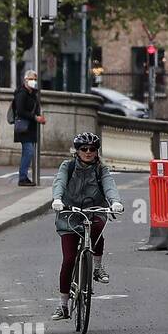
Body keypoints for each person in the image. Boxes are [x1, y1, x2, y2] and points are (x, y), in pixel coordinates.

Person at [49, 132, 123, 321]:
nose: (88, 152)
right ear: (77, 151)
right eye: (84, 149)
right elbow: (59, 182)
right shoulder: (68, 166)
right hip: (69, 214)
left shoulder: (101, 169)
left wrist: (115, 202)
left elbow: (109, 186)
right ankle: (63, 305)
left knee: (99, 227)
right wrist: (57, 199)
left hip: (94, 210)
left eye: (92, 149)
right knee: (68, 260)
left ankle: (97, 267)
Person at [12, 70, 47, 186]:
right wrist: (35, 118)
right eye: (31, 79)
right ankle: (22, 177)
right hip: (24, 127)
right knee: (28, 152)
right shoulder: (21, 93)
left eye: (35, 79)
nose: (34, 81)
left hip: (30, 127)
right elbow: (20, 111)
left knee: (27, 152)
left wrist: (38, 117)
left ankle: (24, 177)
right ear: (25, 80)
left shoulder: (32, 93)